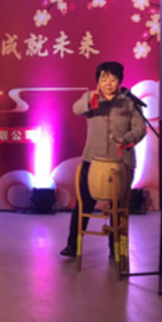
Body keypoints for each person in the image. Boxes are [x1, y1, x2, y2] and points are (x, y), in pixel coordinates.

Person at [60, 61, 146, 258]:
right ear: (98, 80)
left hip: (121, 162)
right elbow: (76, 109)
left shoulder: (129, 102)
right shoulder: (91, 98)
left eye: (112, 79)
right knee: (84, 204)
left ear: (120, 81)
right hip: (93, 161)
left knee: (119, 207)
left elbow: (140, 128)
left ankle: (116, 249)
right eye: (103, 78)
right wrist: (92, 99)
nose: (108, 83)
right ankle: (73, 245)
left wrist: (126, 139)